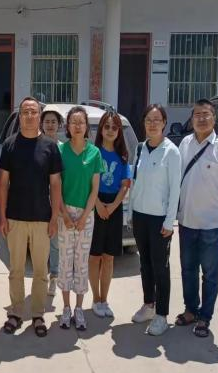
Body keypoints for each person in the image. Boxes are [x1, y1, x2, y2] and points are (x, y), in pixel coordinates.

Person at [175, 98, 218, 338]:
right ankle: (191, 310)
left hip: (212, 226)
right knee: (188, 270)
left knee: (210, 275)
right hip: (187, 222)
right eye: (197, 115)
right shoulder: (184, 144)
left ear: (214, 118)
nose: (201, 119)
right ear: (192, 119)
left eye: (206, 114)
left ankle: (205, 317)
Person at [0, 97, 62, 337]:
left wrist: (54, 217)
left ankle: (37, 314)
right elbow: (3, 183)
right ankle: (16, 312)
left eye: (33, 112)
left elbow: (55, 184)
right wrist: (2, 216)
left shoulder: (50, 146)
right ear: (20, 116)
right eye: (25, 112)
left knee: (40, 271)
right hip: (15, 218)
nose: (29, 116)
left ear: (39, 116)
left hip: (41, 218)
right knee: (15, 269)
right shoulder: (10, 145)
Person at [129, 104, 181, 336]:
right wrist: (131, 213)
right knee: (145, 264)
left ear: (164, 123)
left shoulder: (172, 152)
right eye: (148, 120)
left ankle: (161, 314)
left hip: (160, 219)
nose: (152, 124)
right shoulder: (140, 148)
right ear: (144, 123)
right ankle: (148, 305)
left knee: (161, 266)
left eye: (157, 120)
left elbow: (175, 189)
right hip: (140, 216)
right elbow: (135, 182)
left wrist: (169, 221)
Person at [57, 106, 102, 331]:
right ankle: (66, 307)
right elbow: (55, 187)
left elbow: (95, 189)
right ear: (68, 126)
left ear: (86, 126)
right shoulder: (60, 150)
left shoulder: (94, 153)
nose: (77, 126)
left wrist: (85, 216)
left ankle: (79, 308)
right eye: (73, 122)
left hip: (86, 215)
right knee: (65, 262)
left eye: (81, 122)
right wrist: (64, 215)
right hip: (64, 213)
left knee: (81, 263)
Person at [89, 112, 131, 318]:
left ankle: (104, 299)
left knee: (108, 257)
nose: (110, 130)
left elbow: (125, 185)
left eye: (115, 127)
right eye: (107, 126)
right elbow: (89, 183)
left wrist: (113, 207)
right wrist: (98, 204)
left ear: (119, 131)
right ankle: (95, 298)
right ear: (101, 129)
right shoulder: (93, 153)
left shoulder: (123, 156)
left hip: (114, 207)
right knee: (94, 256)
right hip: (95, 204)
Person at [40, 106, 64, 296]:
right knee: (41, 242)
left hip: (59, 201)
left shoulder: (64, 148)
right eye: (47, 121)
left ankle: (54, 276)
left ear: (59, 125)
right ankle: (41, 276)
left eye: (53, 122)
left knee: (55, 241)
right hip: (39, 201)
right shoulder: (37, 144)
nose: (50, 125)